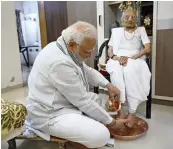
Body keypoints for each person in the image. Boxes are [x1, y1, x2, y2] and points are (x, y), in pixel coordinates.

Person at [24, 21, 128, 149]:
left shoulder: (65, 48)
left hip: (65, 102)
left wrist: (108, 85)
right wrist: (113, 123)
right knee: (101, 135)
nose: (90, 55)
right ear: (73, 45)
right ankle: (67, 137)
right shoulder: (59, 63)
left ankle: (78, 131)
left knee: (97, 101)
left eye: (92, 50)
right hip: (51, 115)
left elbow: (87, 71)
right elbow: (82, 101)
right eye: (87, 51)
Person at [106, 9, 151, 128]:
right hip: (117, 58)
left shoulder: (141, 30)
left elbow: (147, 48)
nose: (130, 19)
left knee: (130, 72)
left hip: (135, 58)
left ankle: (132, 111)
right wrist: (116, 57)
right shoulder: (116, 31)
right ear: (122, 19)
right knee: (117, 73)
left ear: (137, 19)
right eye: (127, 17)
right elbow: (109, 50)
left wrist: (132, 57)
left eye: (132, 17)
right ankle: (119, 109)